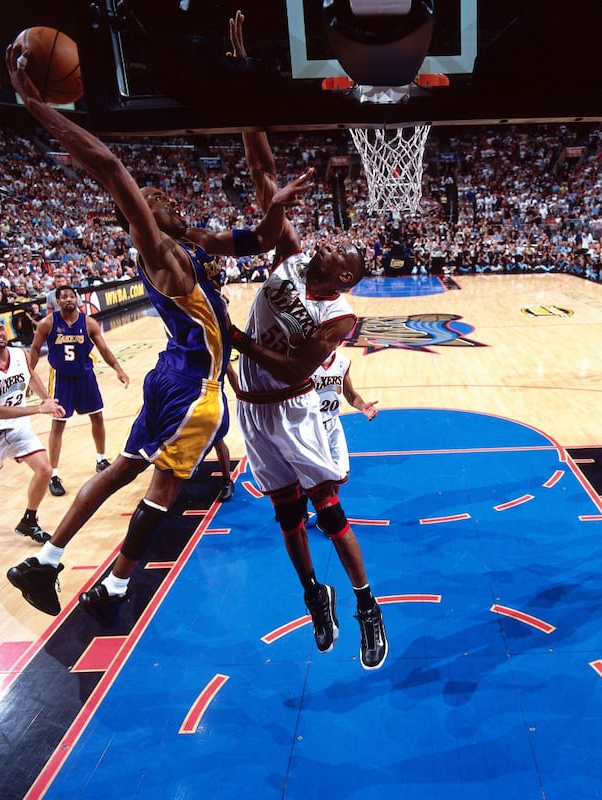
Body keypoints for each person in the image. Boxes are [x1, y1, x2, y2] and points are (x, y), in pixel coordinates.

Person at [4, 42, 312, 625]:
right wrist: (37, 105)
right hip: (194, 386)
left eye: (162, 196)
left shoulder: (194, 243)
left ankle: (46, 562)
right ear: (142, 219)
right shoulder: (160, 253)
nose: (161, 195)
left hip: (171, 373)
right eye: (152, 200)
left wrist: (278, 200)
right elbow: (113, 169)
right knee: (163, 489)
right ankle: (117, 589)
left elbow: (265, 237)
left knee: (123, 467)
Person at [224, 10, 388, 671]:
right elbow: (261, 164)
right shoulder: (290, 252)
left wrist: (231, 334)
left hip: (293, 408)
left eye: (342, 253)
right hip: (257, 409)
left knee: (328, 512)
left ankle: (366, 604)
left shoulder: (340, 320)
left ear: (345, 277)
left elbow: (293, 368)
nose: (329, 245)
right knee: (285, 518)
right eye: (331, 243)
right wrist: (242, 77)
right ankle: (310, 594)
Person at [28, 285, 130, 497]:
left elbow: (103, 349)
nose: (68, 299)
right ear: (57, 301)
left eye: (71, 295)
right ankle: (53, 474)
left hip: (85, 377)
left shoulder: (88, 322)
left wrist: (118, 369)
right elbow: (35, 349)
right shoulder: (48, 323)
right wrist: (29, 375)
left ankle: (101, 459)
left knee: (97, 417)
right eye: (63, 297)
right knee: (58, 424)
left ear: (77, 299)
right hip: (61, 379)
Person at [0, 317, 65, 543]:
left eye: (0, 328)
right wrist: (39, 409)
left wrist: (48, 400)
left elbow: (31, 376)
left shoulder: (19, 354)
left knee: (45, 470)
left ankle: (29, 521)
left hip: (17, 428)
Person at [310, 349, 378, 478]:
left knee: (341, 473)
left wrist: (362, 406)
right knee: (311, 478)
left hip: (332, 422)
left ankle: (333, 498)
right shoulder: (305, 362)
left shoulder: (343, 362)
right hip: (310, 425)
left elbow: (349, 394)